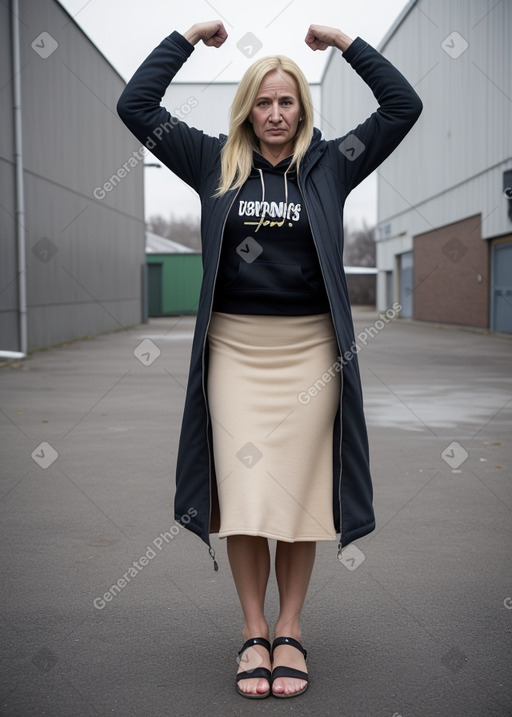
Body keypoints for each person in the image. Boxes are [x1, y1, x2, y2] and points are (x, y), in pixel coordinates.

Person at [117, 20, 422, 699]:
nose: (276, 113)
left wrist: (346, 44)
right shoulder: (209, 160)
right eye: (264, 101)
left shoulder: (333, 162)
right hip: (235, 353)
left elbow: (403, 105)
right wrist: (186, 36)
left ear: (303, 109)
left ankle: (291, 629)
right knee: (248, 499)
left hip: (310, 354)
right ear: (247, 107)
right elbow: (134, 104)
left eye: (287, 102)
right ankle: (253, 631)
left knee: (297, 498)